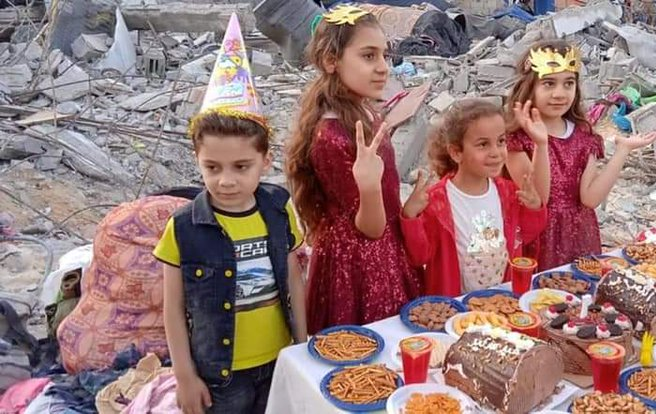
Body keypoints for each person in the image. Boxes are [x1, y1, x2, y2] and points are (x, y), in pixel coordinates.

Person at [153, 14, 307, 414]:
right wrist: (184, 376)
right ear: (198, 160)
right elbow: (172, 308)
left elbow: (292, 276)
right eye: (212, 168)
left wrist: (303, 343)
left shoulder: (278, 208)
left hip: (278, 360)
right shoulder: (184, 227)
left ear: (264, 160)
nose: (225, 181)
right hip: (219, 373)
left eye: (241, 167)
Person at [285, 5, 421, 334]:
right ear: (332, 61)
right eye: (368, 56)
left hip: (384, 253)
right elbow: (370, 228)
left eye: (385, 56)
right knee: (366, 360)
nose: (383, 68)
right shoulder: (331, 136)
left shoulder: (361, 111)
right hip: (359, 268)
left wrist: (409, 206)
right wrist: (371, 187)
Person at [505, 40, 656, 271]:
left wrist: (623, 150)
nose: (559, 93)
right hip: (535, 237)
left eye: (568, 83)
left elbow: (590, 199)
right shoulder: (516, 139)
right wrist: (541, 143)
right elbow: (540, 198)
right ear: (529, 87)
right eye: (548, 84)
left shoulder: (583, 136)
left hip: (579, 236)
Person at [400, 99, 547, 296]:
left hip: (501, 303)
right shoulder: (436, 201)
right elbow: (419, 257)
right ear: (456, 152)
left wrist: (534, 207)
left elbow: (528, 235)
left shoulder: (508, 193)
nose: (496, 153)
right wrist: (410, 217)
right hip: (455, 310)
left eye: (501, 141)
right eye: (483, 144)